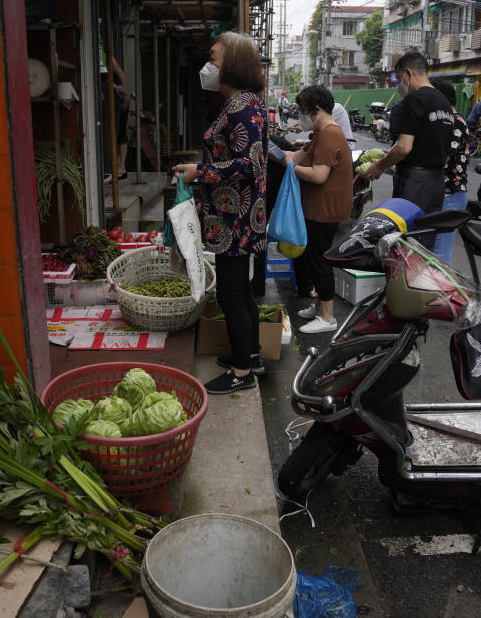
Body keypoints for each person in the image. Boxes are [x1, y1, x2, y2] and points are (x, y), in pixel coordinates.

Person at [173, 32, 267, 394]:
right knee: (240, 290)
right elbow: (229, 157)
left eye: (213, 58)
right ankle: (252, 355)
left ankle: (242, 373)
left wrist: (203, 173)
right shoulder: (235, 103)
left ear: (233, 64)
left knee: (231, 293)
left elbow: (251, 163)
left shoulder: (243, 105)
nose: (207, 66)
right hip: (232, 213)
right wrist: (200, 176)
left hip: (236, 218)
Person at [363, 52, 454, 248]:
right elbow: (437, 150)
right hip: (436, 183)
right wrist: (396, 158)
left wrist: (380, 166)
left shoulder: (414, 100)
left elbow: (404, 147)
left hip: (415, 183)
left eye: (398, 78)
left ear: (408, 73)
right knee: (424, 242)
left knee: (406, 243)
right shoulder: (444, 102)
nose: (398, 84)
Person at [282, 85, 353, 334]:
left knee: (320, 261)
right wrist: (282, 156)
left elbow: (319, 175)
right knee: (314, 258)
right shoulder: (321, 134)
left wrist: (290, 167)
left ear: (317, 110)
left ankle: (328, 317)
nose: (302, 116)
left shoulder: (329, 135)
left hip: (325, 209)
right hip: (318, 207)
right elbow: (297, 155)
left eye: (303, 111)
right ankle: (320, 305)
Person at [430, 79, 471, 264]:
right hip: (443, 193)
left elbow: (442, 157)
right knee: (434, 251)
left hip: (451, 193)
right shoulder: (448, 122)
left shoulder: (456, 123)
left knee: (439, 253)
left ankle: (442, 292)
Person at [110, 57, 130, 179]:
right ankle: (119, 167)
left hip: (119, 99)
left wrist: (125, 92)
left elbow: (120, 72)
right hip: (114, 97)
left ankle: (121, 167)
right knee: (116, 134)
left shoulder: (107, 57)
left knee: (120, 133)